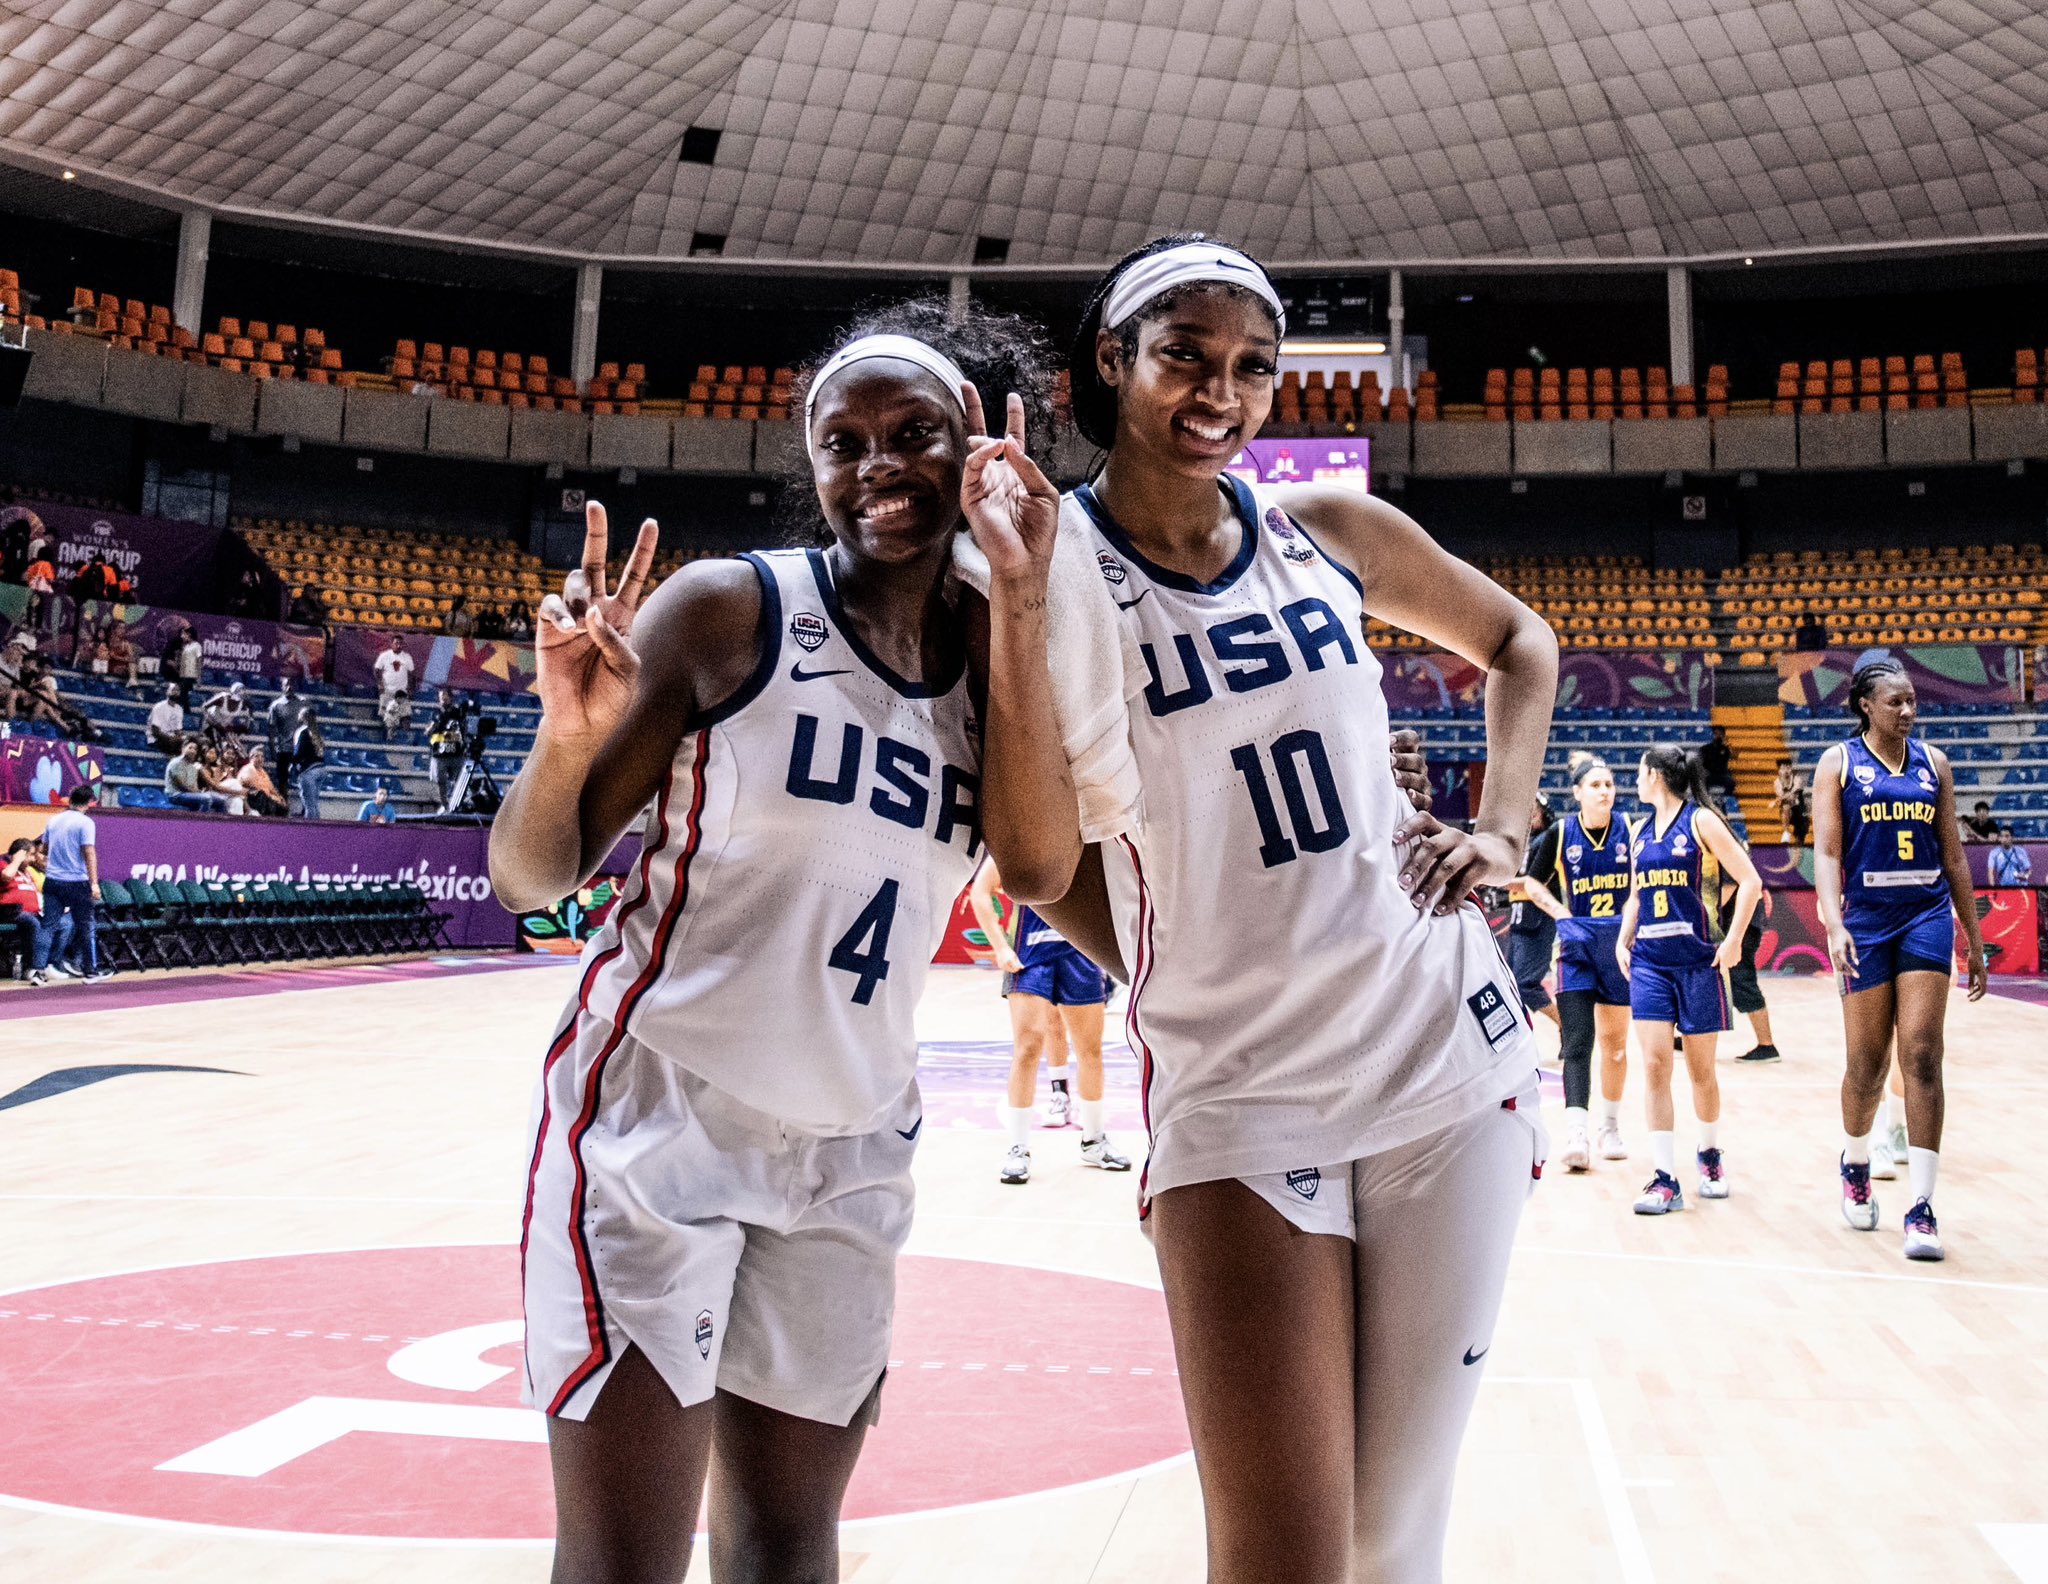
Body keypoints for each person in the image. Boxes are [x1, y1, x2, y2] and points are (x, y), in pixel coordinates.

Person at [975, 236, 1556, 1584]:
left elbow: (1522, 644)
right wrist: (1178, 962)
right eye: (1185, 354)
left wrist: (1502, 828)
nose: (1220, 392)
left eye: (1253, 367)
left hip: (1441, 1049)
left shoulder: (1332, 535)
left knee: (1393, 1535)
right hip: (1241, 1085)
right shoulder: (1044, 573)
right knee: (1284, 1553)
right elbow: (1037, 859)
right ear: (1113, 362)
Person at [488, 303, 1047, 1583]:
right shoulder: (728, 611)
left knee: (789, 1545)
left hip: (850, 1139)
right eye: (840, 442)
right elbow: (530, 878)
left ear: (980, 448)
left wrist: (1018, 603)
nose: (875, 468)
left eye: (914, 434)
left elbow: (1035, 868)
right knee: (625, 1559)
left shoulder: (995, 663)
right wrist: (564, 740)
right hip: (659, 1120)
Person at [1813, 659, 1987, 1261]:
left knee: (1921, 1050)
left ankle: (1922, 1206)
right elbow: (1828, 853)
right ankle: (1856, 1161)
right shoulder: (1838, 764)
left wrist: (1974, 935)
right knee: (1866, 1061)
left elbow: (1956, 858)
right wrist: (1833, 922)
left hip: (1925, 915)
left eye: (1913, 701)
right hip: (1864, 921)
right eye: (1896, 702)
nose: (1909, 711)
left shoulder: (1934, 764)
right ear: (1866, 705)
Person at [1616, 744, 1763, 1214]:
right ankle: (1664, 1177)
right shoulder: (1639, 831)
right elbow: (1638, 893)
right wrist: (1624, 937)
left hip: (1700, 962)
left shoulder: (1701, 822)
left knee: (1701, 1072)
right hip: (1650, 964)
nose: (1635, 780)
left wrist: (1735, 939)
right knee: (1657, 1064)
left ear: (1656, 775)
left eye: (1640, 772)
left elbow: (1751, 881)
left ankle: (1709, 1152)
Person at [967, 854, 1129, 1184]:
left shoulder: (1092, 845)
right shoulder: (1027, 842)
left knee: (1090, 1051)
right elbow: (980, 891)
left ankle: (1094, 1140)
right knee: (1027, 1049)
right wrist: (1000, 947)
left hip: (1080, 956)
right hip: (1030, 957)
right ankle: (1017, 1148)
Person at [1517, 752, 1636, 1171]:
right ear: (1578, 792)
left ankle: (1609, 1126)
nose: (1605, 791)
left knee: (1616, 1048)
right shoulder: (1560, 833)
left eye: (1609, 784)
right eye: (1596, 785)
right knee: (1577, 1043)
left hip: (1619, 946)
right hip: (1577, 947)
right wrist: (1561, 913)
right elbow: (1530, 881)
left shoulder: (1631, 830)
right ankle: (1576, 1134)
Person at [30, 784, 108, 984]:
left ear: (71, 799)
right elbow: (89, 853)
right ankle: (90, 972)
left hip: (53, 882)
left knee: (47, 925)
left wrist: (54, 861)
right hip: (77, 882)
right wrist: (94, 883)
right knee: (86, 926)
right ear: (90, 802)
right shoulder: (86, 823)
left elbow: (43, 850)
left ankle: (38, 971)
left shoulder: (53, 820)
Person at [1505, 795, 1560, 1029]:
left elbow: (1531, 883)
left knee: (1526, 984)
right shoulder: (1524, 844)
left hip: (1540, 921)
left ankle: (1566, 1025)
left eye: (1535, 808)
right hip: (1520, 921)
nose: (1531, 812)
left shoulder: (1549, 839)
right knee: (1510, 984)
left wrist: (1497, 881)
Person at [0, 838, 47, 978]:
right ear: (21, 854)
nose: (33, 859)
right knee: (32, 923)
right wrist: (17, 860)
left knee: (58, 923)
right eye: (31, 855)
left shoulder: (26, 872)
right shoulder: (4, 865)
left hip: (33, 913)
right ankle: (32, 968)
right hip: (10, 912)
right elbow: (6, 876)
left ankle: (49, 965)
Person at [426, 687, 468, 810]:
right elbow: (427, 732)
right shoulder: (435, 712)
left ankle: (456, 804)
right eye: (441, 698)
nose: (443, 700)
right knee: (441, 782)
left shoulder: (458, 712)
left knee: (458, 780)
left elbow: (464, 729)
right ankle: (444, 805)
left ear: (451, 698)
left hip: (456, 753)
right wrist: (435, 724)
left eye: (445, 697)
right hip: (439, 754)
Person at [164, 739, 229, 813]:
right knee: (206, 798)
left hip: (190, 793)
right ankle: (200, 822)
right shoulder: (176, 763)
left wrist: (199, 791)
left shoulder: (193, 765)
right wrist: (199, 792)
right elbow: (182, 786)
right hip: (176, 794)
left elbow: (193, 784)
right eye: (190, 748)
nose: (192, 751)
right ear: (183, 749)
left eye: (195, 749)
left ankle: (219, 823)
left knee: (222, 800)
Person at [288, 705, 326, 818]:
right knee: (314, 802)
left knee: (309, 804)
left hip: (309, 770)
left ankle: (310, 828)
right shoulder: (317, 731)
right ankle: (318, 825)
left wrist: (292, 764)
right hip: (321, 768)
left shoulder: (303, 732)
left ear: (303, 717)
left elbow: (298, 751)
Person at [237, 747, 288, 818]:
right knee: (262, 795)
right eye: (257, 756)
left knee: (282, 802)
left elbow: (271, 787)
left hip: (265, 797)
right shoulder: (248, 769)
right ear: (251, 758)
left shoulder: (262, 771)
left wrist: (279, 797)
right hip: (250, 798)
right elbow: (259, 787)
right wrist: (274, 798)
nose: (260, 759)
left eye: (262, 756)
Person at [1772, 758, 1811, 845]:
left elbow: (1794, 792)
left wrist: (1776, 801)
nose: (1785, 771)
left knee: (1799, 841)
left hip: (1800, 811)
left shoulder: (1797, 779)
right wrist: (1782, 798)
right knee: (1785, 806)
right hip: (1787, 812)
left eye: (1788, 768)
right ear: (1779, 771)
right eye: (1783, 768)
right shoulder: (1777, 782)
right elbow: (1781, 795)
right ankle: (1785, 832)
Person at [266, 676, 301, 765]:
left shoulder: (303, 704)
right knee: (283, 778)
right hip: (283, 749)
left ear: (296, 687)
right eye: (286, 685)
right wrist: (273, 751)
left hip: (299, 749)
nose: (289, 687)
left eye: (291, 685)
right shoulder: (276, 705)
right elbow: (271, 731)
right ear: (282, 687)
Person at [373, 634, 415, 707]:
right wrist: (380, 684)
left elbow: (412, 674)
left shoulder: (407, 657)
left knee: (402, 715)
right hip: (387, 691)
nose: (398, 646)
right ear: (391, 644)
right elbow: (376, 670)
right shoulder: (384, 655)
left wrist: (411, 690)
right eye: (396, 643)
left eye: (400, 643)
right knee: (386, 715)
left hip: (402, 692)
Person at [145, 683, 187, 755]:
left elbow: (178, 730)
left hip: (172, 738)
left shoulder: (179, 709)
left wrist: (184, 738)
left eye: (178, 690)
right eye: (173, 690)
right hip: (157, 739)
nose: (176, 692)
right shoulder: (159, 707)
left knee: (190, 743)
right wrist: (171, 739)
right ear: (167, 692)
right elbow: (155, 731)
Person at [1699, 724, 1735, 796]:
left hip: (1721, 774)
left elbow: (1726, 760)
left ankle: (1726, 799)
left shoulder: (1726, 749)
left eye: (1720, 734)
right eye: (1716, 733)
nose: (1717, 736)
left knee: (1730, 782)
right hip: (1709, 774)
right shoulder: (1705, 749)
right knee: (1701, 783)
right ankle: (1705, 800)